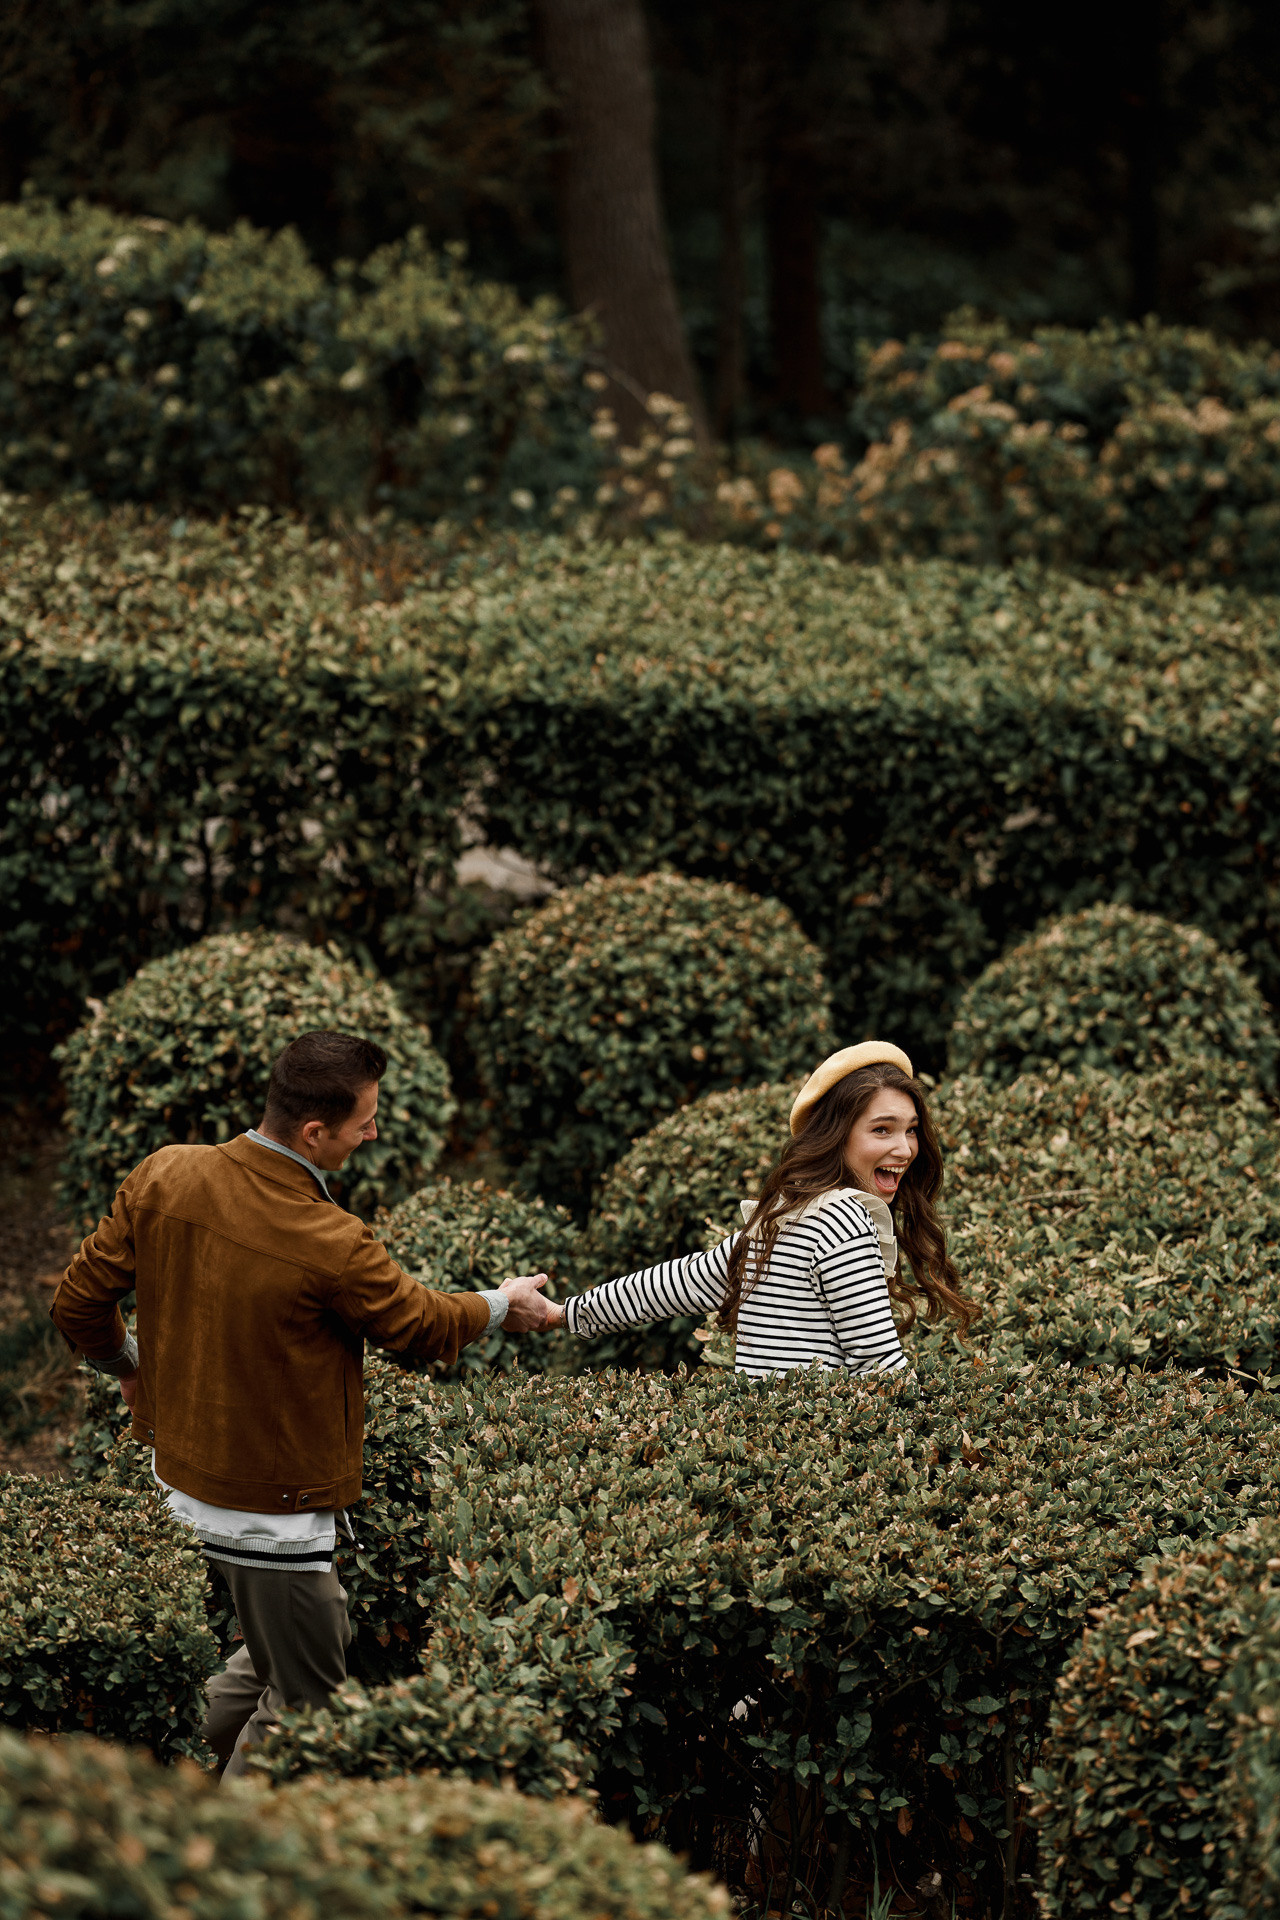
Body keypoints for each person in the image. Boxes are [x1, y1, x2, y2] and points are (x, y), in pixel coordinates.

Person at [50, 1029, 555, 1779]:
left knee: (274, 1654)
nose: (374, 1132)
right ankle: (217, 1869)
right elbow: (419, 1326)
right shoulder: (331, 1240)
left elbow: (77, 1302)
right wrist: (500, 1302)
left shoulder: (166, 1173)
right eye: (364, 1122)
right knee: (310, 1710)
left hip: (182, 1480)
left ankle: (152, 1782)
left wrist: (127, 1367)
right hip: (269, 1515)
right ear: (315, 1132)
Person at [545, 1041, 976, 1374]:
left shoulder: (784, 1217)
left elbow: (671, 1285)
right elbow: (879, 1366)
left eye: (912, 1130)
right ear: (836, 1136)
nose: (904, 1149)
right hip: (822, 1459)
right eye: (882, 1130)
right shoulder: (845, 1220)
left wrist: (563, 1313)